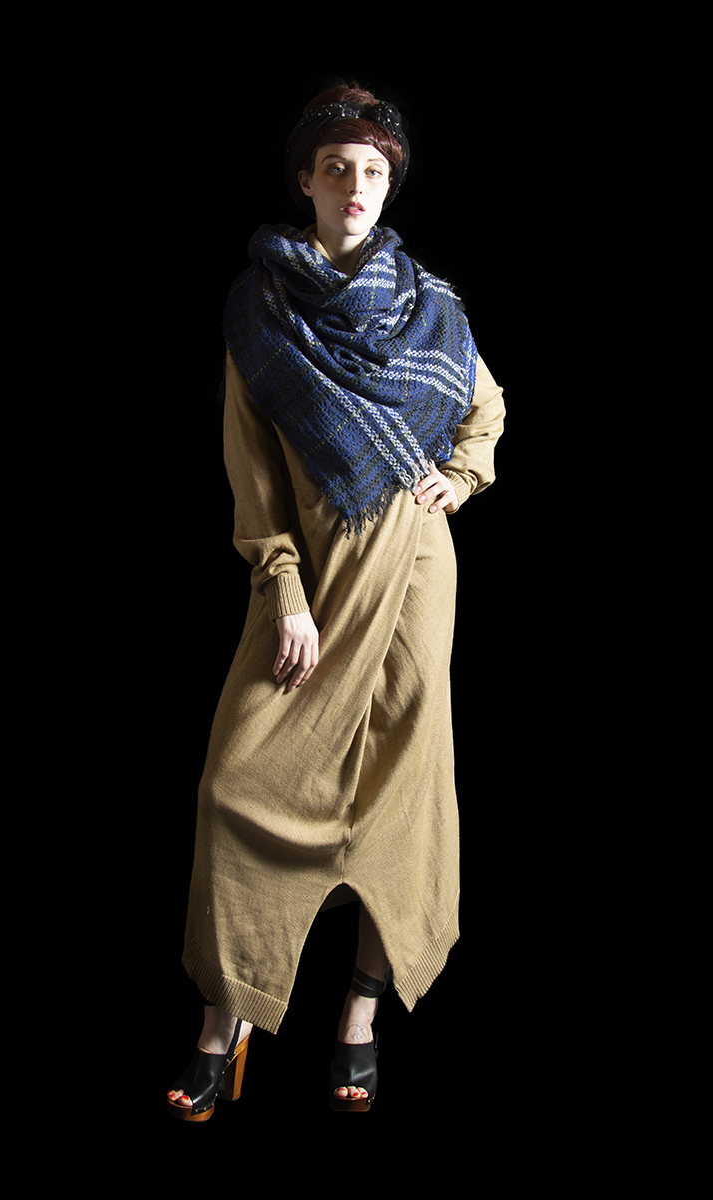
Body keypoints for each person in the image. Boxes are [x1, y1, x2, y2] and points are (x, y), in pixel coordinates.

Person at [167, 82, 505, 1119]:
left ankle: (358, 1019)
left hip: (416, 579)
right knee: (237, 785)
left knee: (399, 796)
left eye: (373, 172)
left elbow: (485, 407)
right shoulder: (260, 312)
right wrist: (287, 594)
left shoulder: (432, 304)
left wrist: (464, 476)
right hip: (318, 584)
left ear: (388, 186)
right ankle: (227, 1022)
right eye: (336, 169)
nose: (356, 186)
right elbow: (254, 482)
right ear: (306, 182)